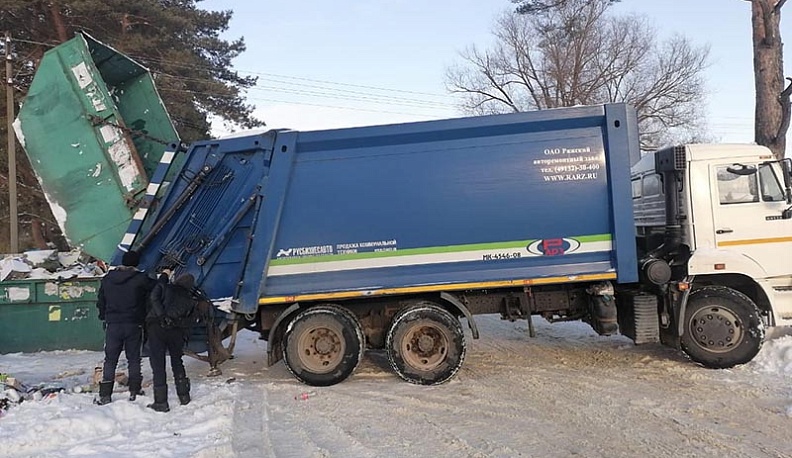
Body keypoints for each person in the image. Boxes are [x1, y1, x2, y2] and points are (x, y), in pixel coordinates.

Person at [95, 250, 155, 405]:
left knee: (110, 360)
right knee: (134, 358)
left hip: (113, 325)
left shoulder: (108, 279)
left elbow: (101, 301)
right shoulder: (140, 279)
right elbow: (156, 288)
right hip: (134, 324)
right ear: (136, 263)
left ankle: (105, 394)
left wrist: (104, 316)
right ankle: (135, 390)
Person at [145, 271, 196, 412]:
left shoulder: (165, 287)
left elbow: (153, 296)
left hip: (157, 328)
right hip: (176, 331)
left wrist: (161, 316)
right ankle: (184, 395)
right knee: (177, 362)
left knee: (158, 363)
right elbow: (190, 320)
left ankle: (161, 402)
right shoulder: (189, 299)